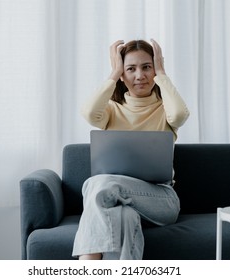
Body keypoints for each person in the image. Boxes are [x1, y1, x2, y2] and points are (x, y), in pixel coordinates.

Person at [72, 39, 190, 260]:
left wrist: (162, 72)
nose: (140, 75)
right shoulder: (110, 111)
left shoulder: (165, 110)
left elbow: (180, 115)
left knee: (97, 183)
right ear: (122, 75)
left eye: (147, 67)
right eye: (131, 69)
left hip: (160, 199)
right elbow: (89, 113)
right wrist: (114, 72)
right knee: (124, 217)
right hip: (117, 200)